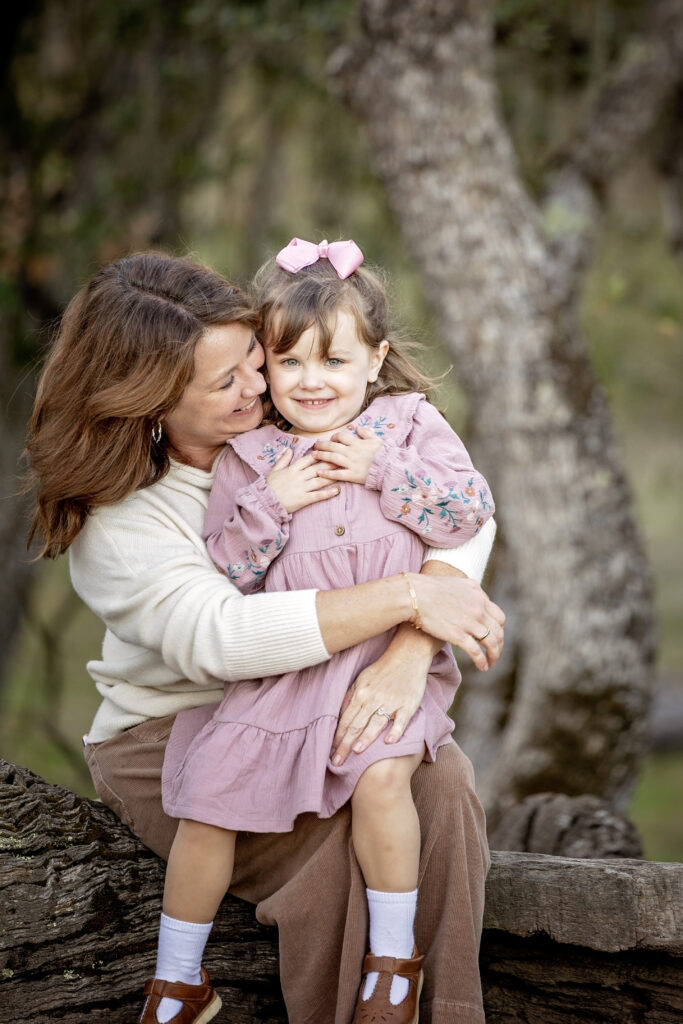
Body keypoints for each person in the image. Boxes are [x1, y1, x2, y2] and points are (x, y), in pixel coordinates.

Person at [24, 250, 504, 1024]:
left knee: (438, 779)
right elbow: (223, 637)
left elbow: (463, 517)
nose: (259, 389)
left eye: (255, 362)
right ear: (151, 401)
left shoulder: (310, 416)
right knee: (330, 851)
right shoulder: (124, 519)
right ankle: (219, 992)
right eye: (227, 383)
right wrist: (409, 597)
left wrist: (412, 649)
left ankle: (434, 1004)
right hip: (177, 723)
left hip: (335, 688)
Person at [160, 237, 495, 1024]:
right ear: (265, 369)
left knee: (383, 780)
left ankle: (390, 962)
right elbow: (228, 573)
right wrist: (272, 499)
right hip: (288, 674)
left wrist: (382, 469)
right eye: (290, 363)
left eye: (334, 362)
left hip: (385, 662)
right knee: (208, 806)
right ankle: (176, 980)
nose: (313, 382)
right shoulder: (251, 457)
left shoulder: (409, 427)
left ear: (375, 361)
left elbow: (467, 511)